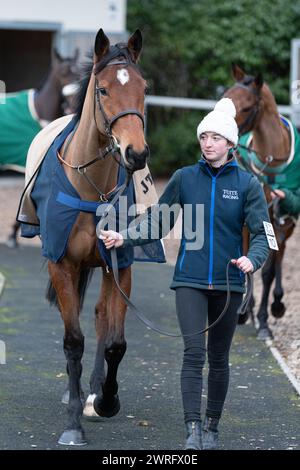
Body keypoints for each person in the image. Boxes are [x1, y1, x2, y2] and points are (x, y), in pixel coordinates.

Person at [100, 98, 270, 450]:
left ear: (230, 144)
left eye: (216, 137)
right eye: (204, 136)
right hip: (189, 281)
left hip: (229, 283)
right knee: (194, 353)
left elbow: (263, 234)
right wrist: (124, 235)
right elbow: (158, 221)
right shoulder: (184, 179)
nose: (208, 143)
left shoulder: (247, 185)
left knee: (219, 358)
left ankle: (212, 428)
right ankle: (192, 430)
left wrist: (253, 260)